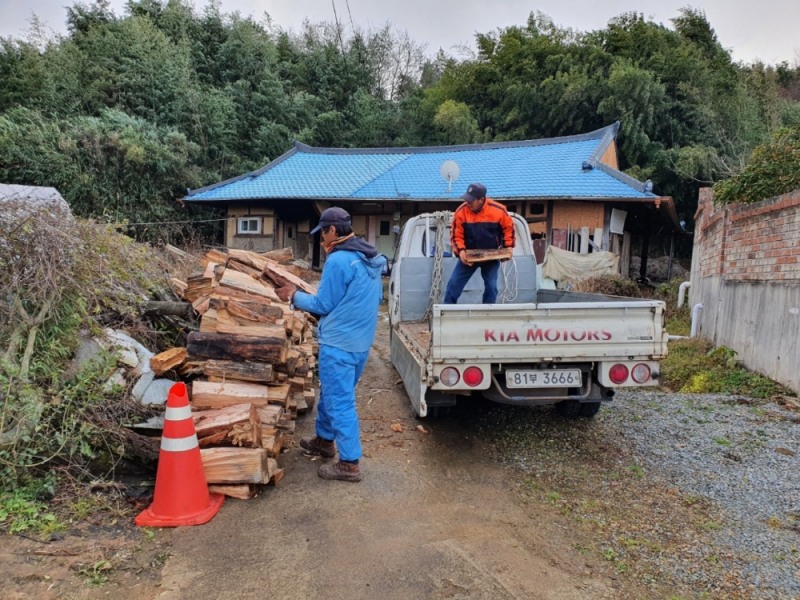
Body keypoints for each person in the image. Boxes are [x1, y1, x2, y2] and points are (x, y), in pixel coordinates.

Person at [274, 207, 383, 482]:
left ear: (333, 230)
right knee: (333, 394)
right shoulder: (369, 257)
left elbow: (323, 304)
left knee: (340, 402)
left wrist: (293, 295)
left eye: (323, 232)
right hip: (359, 344)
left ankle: (349, 463)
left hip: (339, 345)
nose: (321, 239)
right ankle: (324, 440)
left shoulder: (339, 261)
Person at [444, 182, 515, 304]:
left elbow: (509, 228)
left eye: (471, 201)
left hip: (491, 256)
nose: (467, 203)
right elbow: (456, 235)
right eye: (466, 199)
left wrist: (508, 247)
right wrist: (460, 251)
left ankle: (487, 315)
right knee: (453, 284)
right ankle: (446, 313)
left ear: (481, 200)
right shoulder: (461, 212)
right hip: (468, 256)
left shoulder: (498, 211)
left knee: (491, 287)